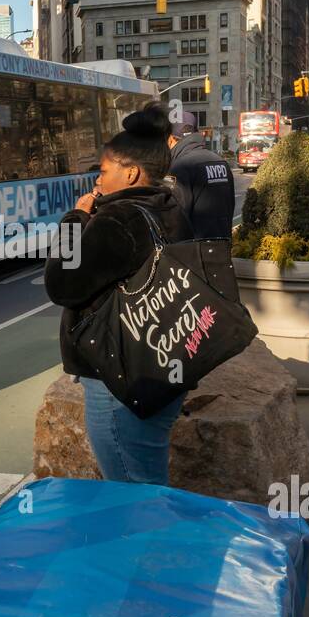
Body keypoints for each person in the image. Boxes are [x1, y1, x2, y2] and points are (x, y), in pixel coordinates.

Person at [44, 107, 195, 485]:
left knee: (132, 490)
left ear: (130, 173)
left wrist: (76, 220)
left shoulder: (117, 220)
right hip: (162, 361)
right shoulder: (170, 206)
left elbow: (62, 284)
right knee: (147, 478)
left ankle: (153, 546)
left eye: (104, 169)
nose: (98, 177)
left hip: (121, 379)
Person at [159, 107, 235, 240]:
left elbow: (172, 217)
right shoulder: (221, 163)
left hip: (192, 253)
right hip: (222, 249)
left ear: (171, 139)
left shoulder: (179, 167)